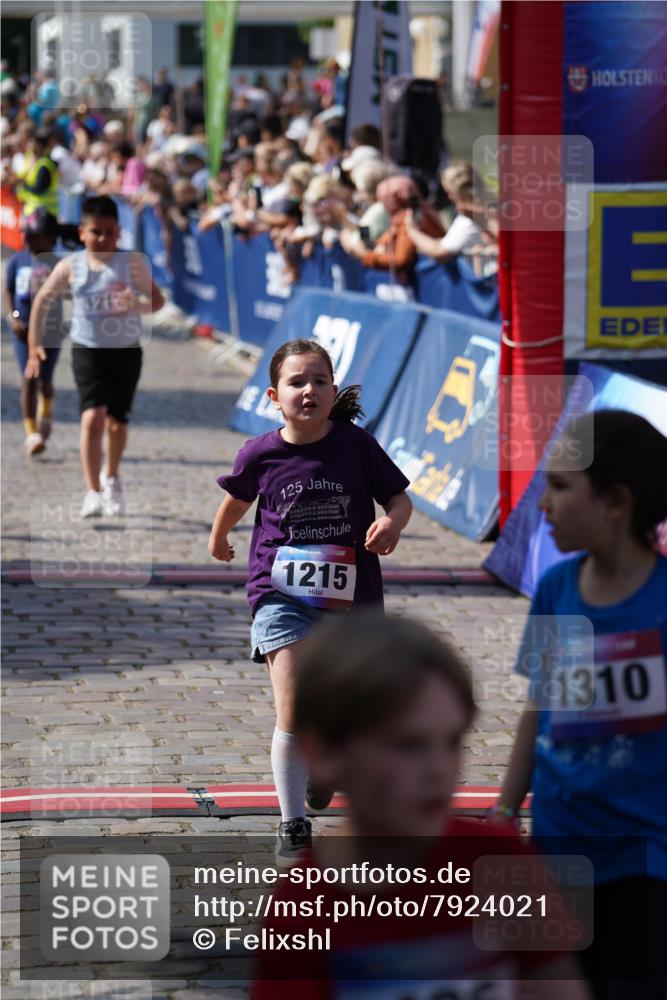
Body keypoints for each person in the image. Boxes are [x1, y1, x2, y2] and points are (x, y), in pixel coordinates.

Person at [252, 612, 592, 998]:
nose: (439, 770)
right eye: (408, 745)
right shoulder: (302, 908)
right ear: (325, 754)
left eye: (451, 742)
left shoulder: (497, 860)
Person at [208, 339, 413, 862]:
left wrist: (390, 521)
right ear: (275, 396)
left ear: (334, 391)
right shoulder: (261, 451)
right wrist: (218, 537)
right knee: (294, 704)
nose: (310, 390)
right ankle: (293, 822)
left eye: (320, 381)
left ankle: (324, 771)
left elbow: (398, 496)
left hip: (352, 598)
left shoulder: (357, 445)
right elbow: (236, 499)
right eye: (298, 382)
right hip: (280, 594)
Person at [495, 410, 667, 1000]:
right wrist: (504, 806)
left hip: (646, 863)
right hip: (557, 848)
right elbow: (540, 707)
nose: (542, 504)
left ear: (616, 501)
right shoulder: (557, 590)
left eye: (561, 486)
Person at [25, 195, 164, 517]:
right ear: (82, 232)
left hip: (126, 352)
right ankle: (92, 491)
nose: (103, 239)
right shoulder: (70, 266)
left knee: (116, 424)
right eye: (96, 232)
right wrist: (34, 343)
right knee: (92, 417)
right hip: (88, 350)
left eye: (110, 232)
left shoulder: (131, 263)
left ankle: (112, 478)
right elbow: (43, 300)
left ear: (119, 231)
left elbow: (157, 300)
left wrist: (136, 305)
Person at [4, 209, 62, 455]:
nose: (28, 239)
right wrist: (12, 316)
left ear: (49, 238)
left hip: (49, 333)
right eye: (26, 234)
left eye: (35, 235)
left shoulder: (57, 264)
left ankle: (46, 407)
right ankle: (31, 433)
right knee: (28, 378)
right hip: (23, 333)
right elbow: (7, 291)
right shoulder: (17, 261)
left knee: (45, 381)